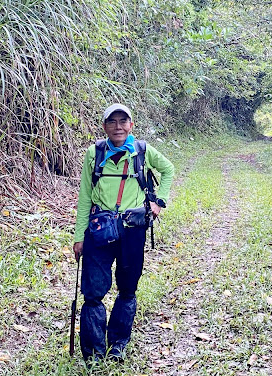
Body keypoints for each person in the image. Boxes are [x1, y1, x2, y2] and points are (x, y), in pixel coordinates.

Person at [73, 103, 174, 363]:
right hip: (98, 228)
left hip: (132, 229)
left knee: (128, 288)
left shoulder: (142, 151)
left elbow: (168, 169)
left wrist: (159, 201)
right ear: (104, 126)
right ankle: (94, 352)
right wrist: (79, 237)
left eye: (123, 121)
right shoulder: (93, 154)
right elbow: (85, 196)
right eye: (112, 122)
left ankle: (117, 344)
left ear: (131, 125)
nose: (118, 127)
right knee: (93, 292)